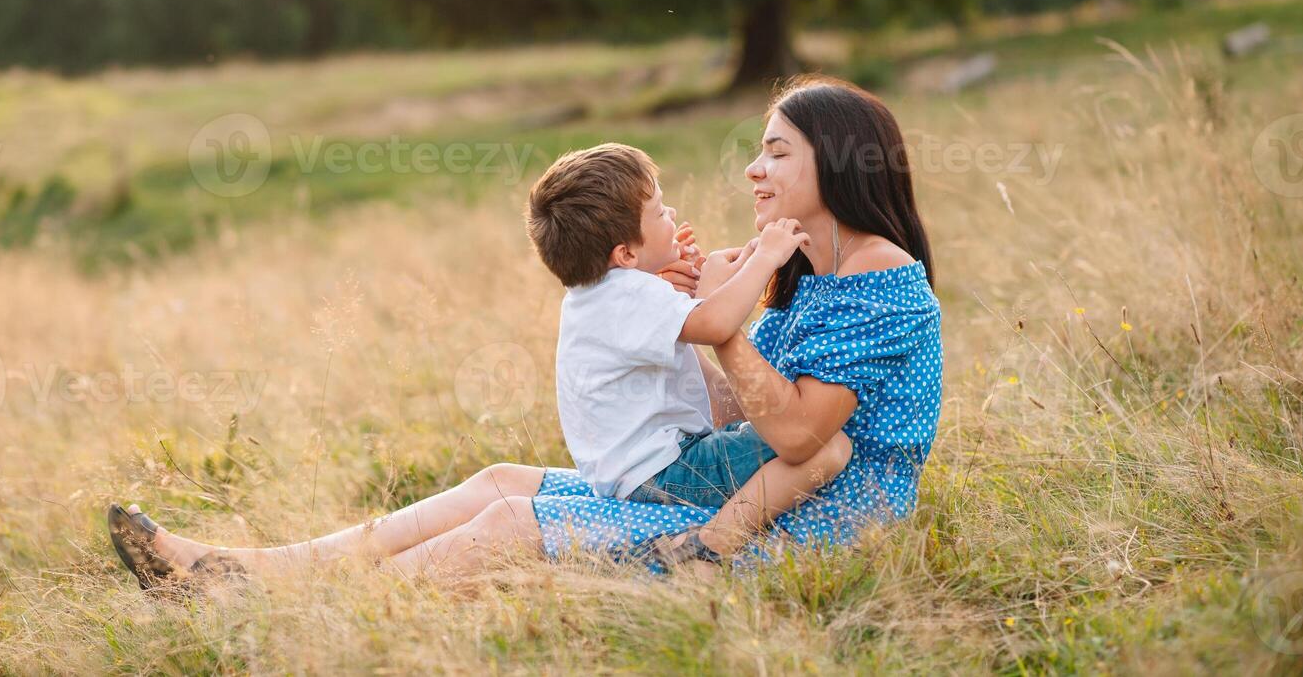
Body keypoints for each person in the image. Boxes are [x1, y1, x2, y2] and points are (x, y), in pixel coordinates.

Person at [108, 75, 942, 584]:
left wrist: (715, 326)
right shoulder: (809, 273)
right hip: (747, 488)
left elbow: (800, 437)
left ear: (836, 162)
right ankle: (250, 569)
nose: (753, 170)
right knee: (500, 482)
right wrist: (675, 305)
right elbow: (740, 419)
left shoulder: (877, 276)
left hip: (823, 524)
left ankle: (302, 606)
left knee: (511, 525)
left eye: (775, 153)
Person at [524, 143, 852, 568]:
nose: (673, 214)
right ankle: (708, 548)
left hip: (639, 474)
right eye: (659, 212)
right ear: (625, 254)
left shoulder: (603, 294)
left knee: (777, 436)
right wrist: (766, 257)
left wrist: (685, 286)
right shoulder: (629, 294)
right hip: (668, 473)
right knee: (826, 445)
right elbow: (715, 323)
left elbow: (694, 322)